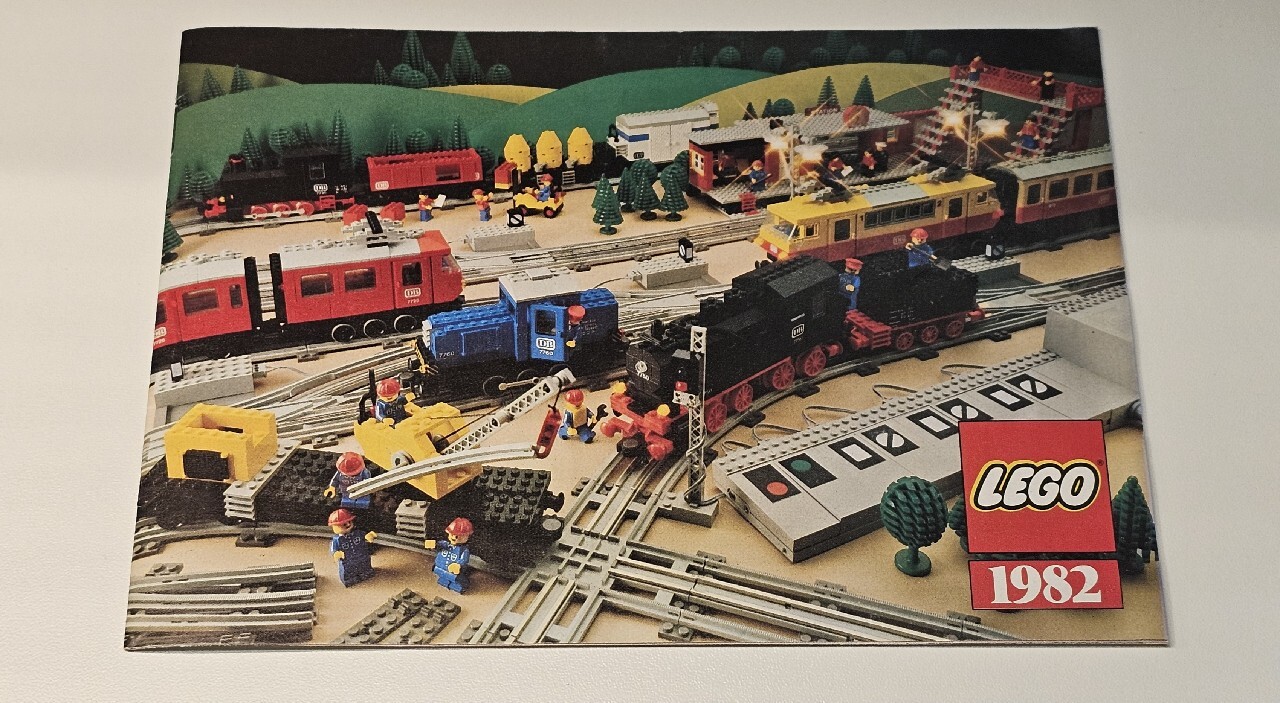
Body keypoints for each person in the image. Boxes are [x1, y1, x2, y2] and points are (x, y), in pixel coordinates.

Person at [329, 509, 377, 587]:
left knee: (364, 564)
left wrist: (368, 536)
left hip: (362, 554)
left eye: (349, 522)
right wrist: (336, 553)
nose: (348, 524)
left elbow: (364, 535)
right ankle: (349, 579)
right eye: (344, 524)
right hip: (347, 559)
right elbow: (334, 549)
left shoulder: (358, 533)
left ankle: (366, 573)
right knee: (348, 569)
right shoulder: (337, 540)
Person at [425, 517, 473, 594]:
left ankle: (458, 585)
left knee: (457, 579)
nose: (454, 537)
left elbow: (463, 560)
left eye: (457, 536)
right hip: (440, 567)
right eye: (452, 534)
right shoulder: (445, 544)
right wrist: (433, 545)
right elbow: (438, 545)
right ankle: (445, 581)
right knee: (441, 576)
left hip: (453, 571)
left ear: (466, 537)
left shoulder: (464, 550)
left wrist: (458, 565)